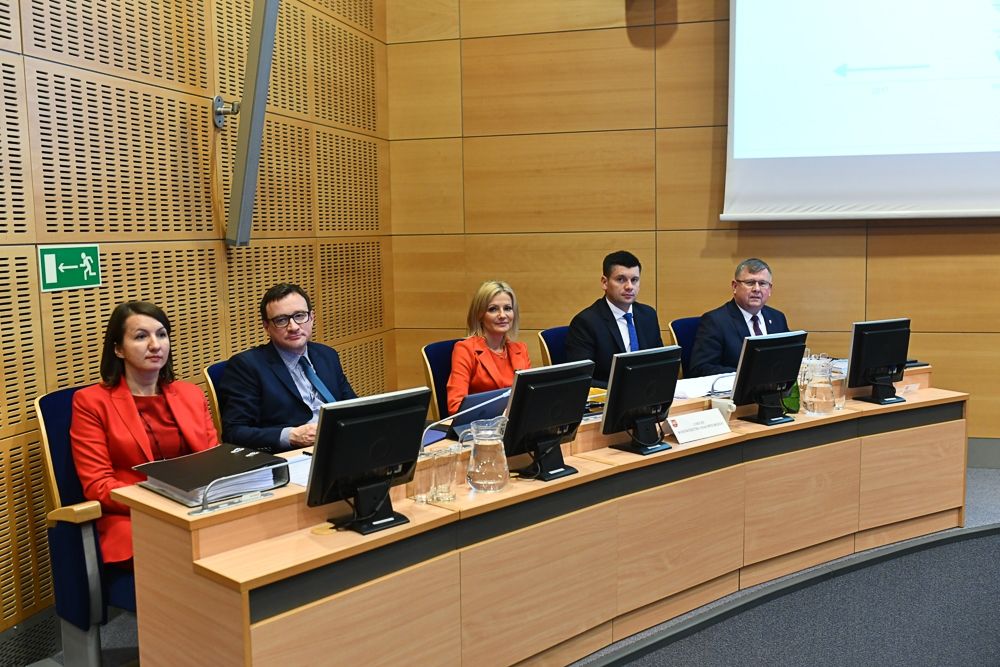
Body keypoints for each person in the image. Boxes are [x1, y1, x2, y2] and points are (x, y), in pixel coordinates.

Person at [70, 302, 218, 566]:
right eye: (141, 337)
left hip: (197, 509)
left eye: (161, 334)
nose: (155, 345)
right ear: (118, 349)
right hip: (134, 517)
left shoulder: (191, 394)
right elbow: (97, 485)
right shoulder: (90, 402)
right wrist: (164, 501)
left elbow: (215, 463)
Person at [220, 283, 356, 452]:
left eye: (300, 316)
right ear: (266, 326)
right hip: (294, 455)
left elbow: (352, 406)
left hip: (342, 444)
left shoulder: (327, 355)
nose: (293, 327)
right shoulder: (246, 366)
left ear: (312, 317)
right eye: (281, 320)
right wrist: (291, 436)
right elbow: (234, 432)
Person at [565, 250, 664, 386]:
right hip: (608, 395)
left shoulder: (648, 315)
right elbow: (581, 378)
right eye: (621, 279)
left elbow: (660, 364)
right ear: (604, 282)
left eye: (634, 280)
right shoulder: (586, 322)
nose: (629, 286)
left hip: (647, 393)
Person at [688, 258, 790, 377]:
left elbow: (788, 358)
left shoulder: (777, 318)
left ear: (770, 289)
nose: (757, 289)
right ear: (735, 287)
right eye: (750, 283)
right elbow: (700, 368)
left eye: (762, 283)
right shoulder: (715, 321)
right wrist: (746, 375)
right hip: (734, 388)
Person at [446, 280, 531, 415]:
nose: (502, 315)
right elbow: (456, 407)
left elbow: (529, 398)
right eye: (493, 309)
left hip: (513, 424)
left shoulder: (520, 350)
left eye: (507, 308)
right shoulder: (465, 350)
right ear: (480, 315)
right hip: (481, 425)